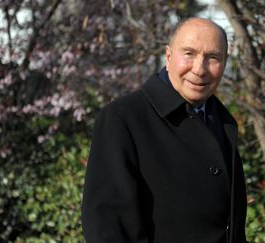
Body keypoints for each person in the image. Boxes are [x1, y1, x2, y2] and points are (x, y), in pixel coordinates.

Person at [82, 17, 248, 243]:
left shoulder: (221, 121)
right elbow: (108, 228)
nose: (199, 69)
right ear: (168, 57)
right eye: (189, 54)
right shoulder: (123, 118)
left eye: (212, 57)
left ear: (225, 62)